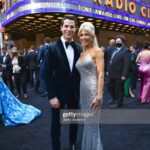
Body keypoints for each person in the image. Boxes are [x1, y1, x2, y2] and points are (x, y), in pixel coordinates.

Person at [45, 16, 82, 150]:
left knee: (74, 121)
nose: (69, 29)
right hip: (58, 93)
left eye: (72, 27)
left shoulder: (79, 48)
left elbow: (79, 72)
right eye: (66, 26)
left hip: (74, 92)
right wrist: (52, 96)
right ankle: (56, 146)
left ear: (75, 29)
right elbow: (47, 74)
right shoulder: (52, 48)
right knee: (56, 123)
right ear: (61, 28)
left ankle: (73, 142)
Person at [76, 22, 104, 150]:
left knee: (92, 125)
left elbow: (101, 74)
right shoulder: (82, 53)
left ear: (92, 36)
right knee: (87, 124)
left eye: (86, 34)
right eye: (81, 35)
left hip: (93, 92)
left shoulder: (97, 51)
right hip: (83, 91)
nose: (83, 37)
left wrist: (99, 96)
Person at [106, 35, 131, 108]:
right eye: (116, 41)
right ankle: (114, 98)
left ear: (123, 42)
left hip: (119, 74)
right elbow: (110, 60)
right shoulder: (114, 49)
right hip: (110, 73)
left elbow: (127, 64)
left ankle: (119, 103)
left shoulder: (126, 51)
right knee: (108, 85)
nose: (117, 43)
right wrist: (108, 70)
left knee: (119, 89)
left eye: (119, 41)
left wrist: (124, 75)